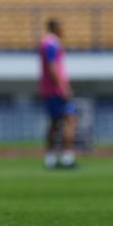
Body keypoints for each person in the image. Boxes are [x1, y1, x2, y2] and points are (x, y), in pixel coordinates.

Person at [39, 18, 77, 169]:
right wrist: (62, 87)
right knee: (70, 121)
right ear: (55, 28)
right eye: (61, 27)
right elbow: (52, 67)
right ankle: (67, 158)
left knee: (54, 124)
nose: (63, 30)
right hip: (56, 90)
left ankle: (50, 159)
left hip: (49, 89)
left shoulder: (45, 43)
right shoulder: (51, 44)